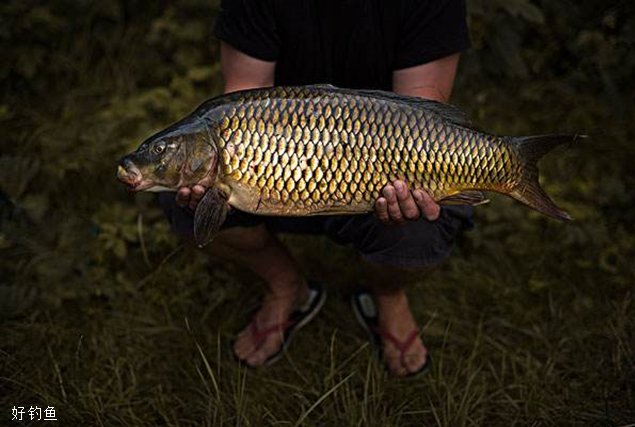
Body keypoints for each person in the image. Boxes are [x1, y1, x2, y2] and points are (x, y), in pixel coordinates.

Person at [158, 0, 473, 377]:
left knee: (421, 223)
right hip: (276, 169)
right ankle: (284, 284)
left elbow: (421, 116)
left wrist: (403, 175)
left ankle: (389, 295)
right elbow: (242, 96)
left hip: (378, 169)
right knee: (185, 202)